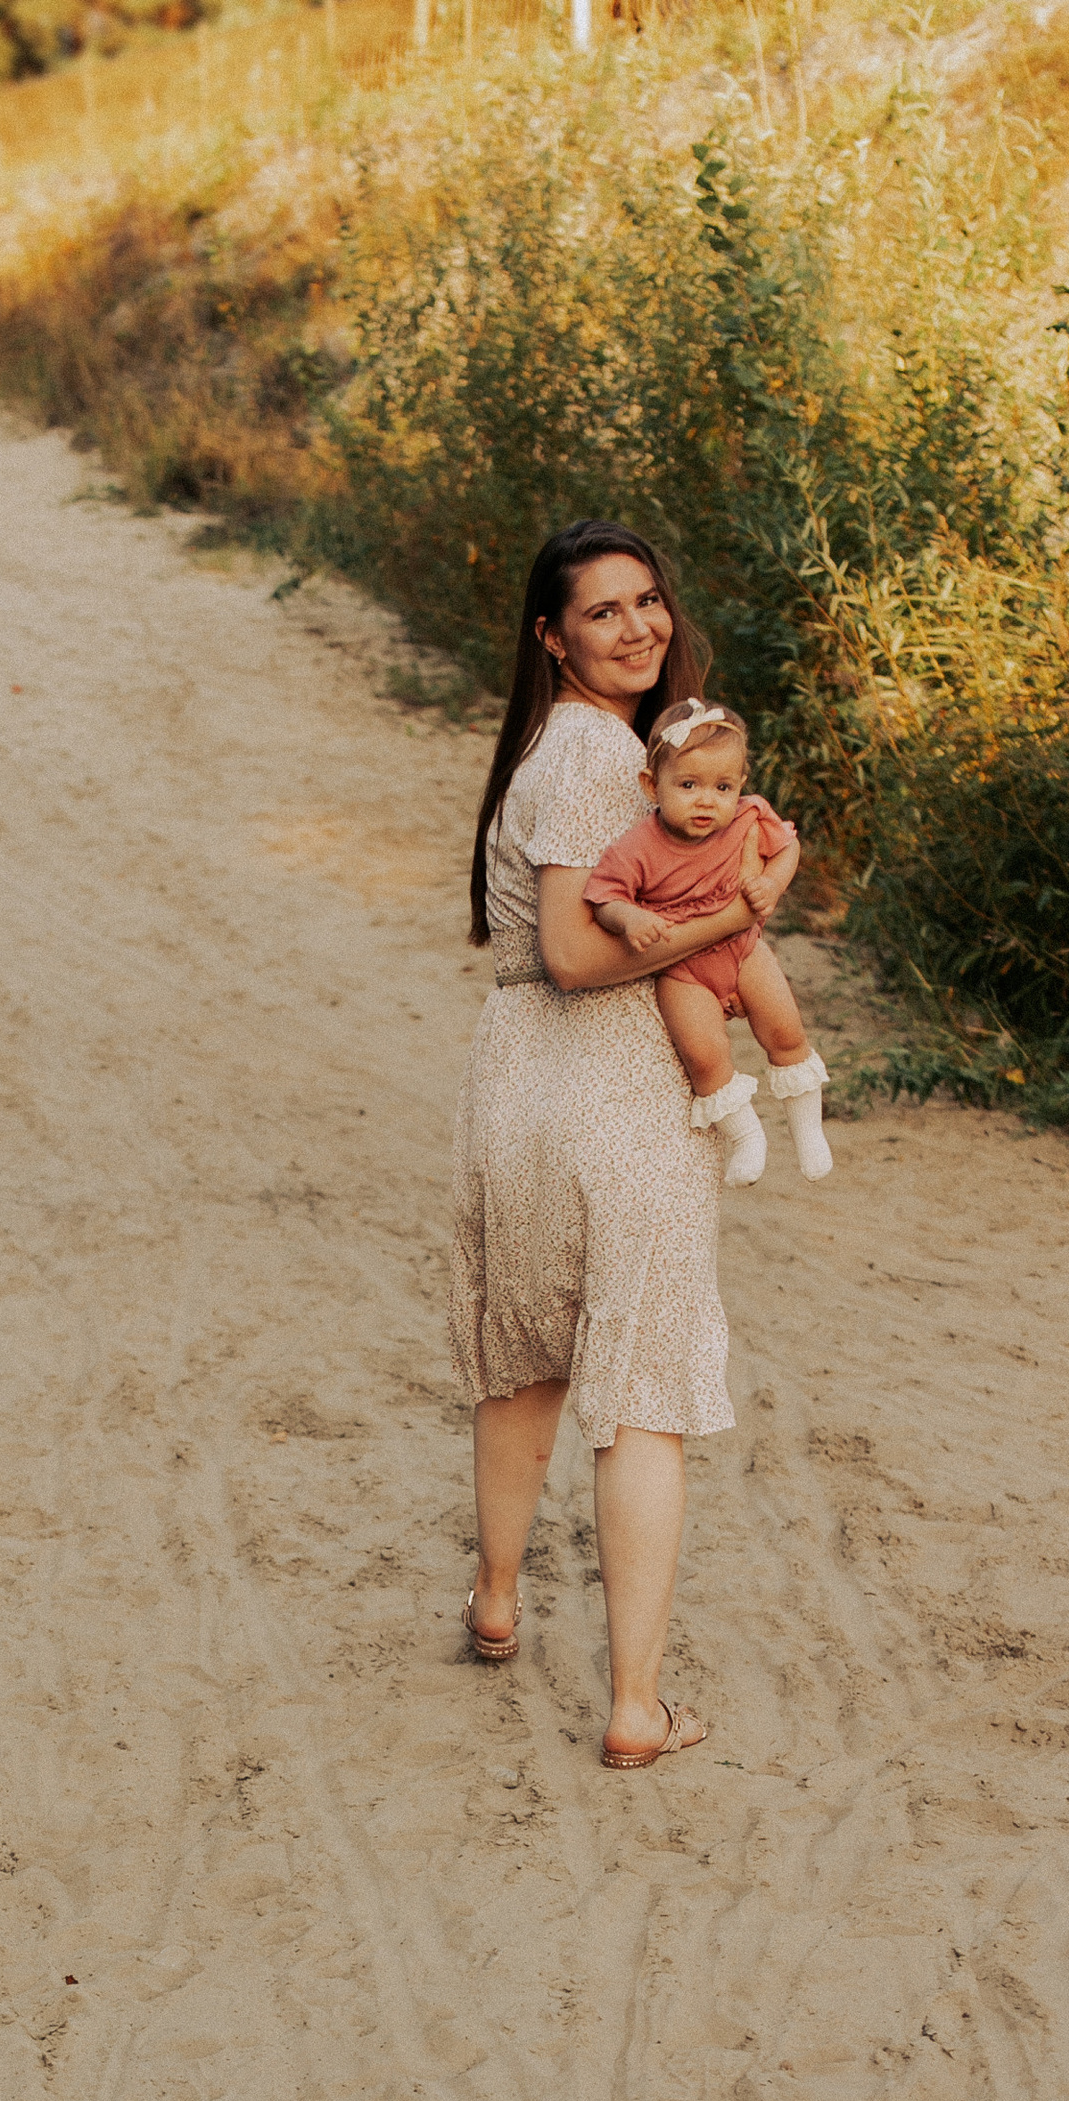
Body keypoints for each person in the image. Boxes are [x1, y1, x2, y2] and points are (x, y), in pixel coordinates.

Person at [450, 519, 746, 1768]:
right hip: (607, 1083)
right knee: (642, 1392)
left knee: (524, 1351)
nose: (635, 628)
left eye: (646, 603)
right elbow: (578, 956)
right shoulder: (594, 764)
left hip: (516, 1089)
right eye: (601, 613)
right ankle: (634, 1707)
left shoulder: (566, 751)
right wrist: (741, 910)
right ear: (551, 637)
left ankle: (500, 1602)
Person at [583, 695, 832, 1187]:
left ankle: (808, 1128)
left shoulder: (746, 818)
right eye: (689, 785)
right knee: (703, 1055)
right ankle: (745, 1136)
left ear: (740, 785)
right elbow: (603, 895)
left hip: (743, 950)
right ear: (652, 786)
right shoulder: (638, 846)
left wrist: (773, 885)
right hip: (682, 966)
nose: (706, 800)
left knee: (784, 1030)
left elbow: (787, 846)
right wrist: (629, 918)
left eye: (722, 786)